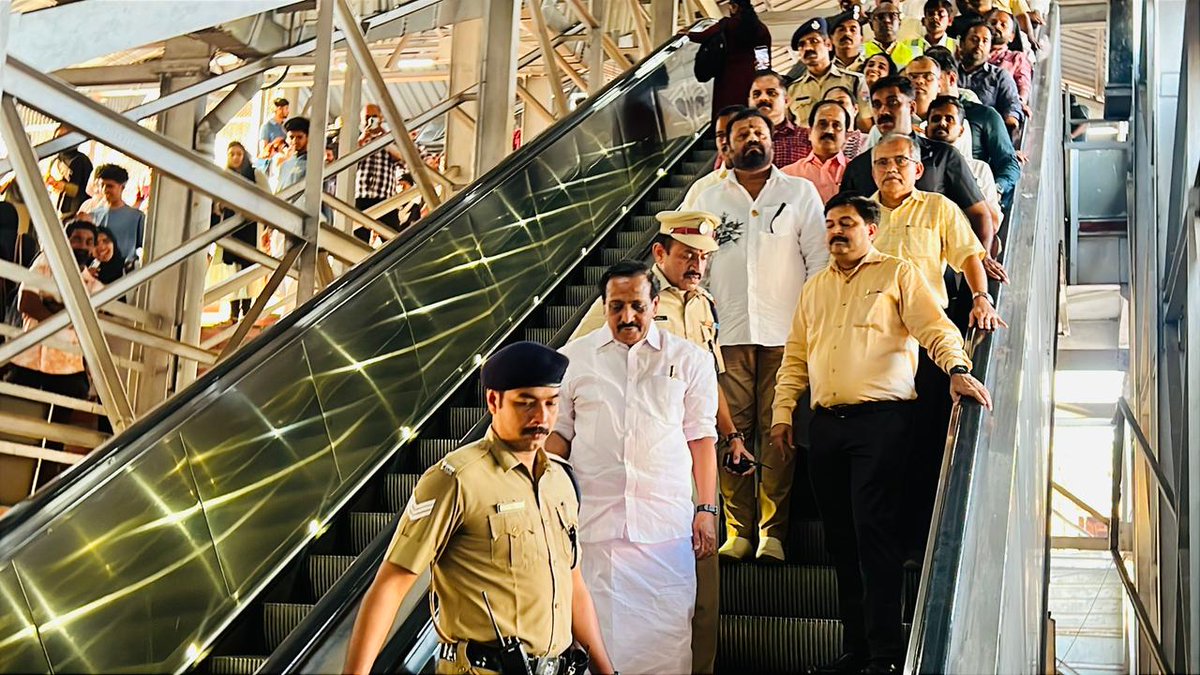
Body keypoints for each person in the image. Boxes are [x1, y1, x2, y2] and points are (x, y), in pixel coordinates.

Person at [770, 194, 992, 674]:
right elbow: (795, 355)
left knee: (875, 534)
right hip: (826, 427)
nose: (836, 231)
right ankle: (857, 651)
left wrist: (956, 367)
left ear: (872, 229)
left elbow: (936, 327)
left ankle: (887, 655)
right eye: (830, 224)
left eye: (846, 222)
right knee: (840, 542)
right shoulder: (814, 288)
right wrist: (782, 412)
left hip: (883, 423)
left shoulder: (897, 273)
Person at [342, 341, 615, 675]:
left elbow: (573, 585)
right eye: (525, 404)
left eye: (550, 403)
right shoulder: (456, 480)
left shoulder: (561, 481)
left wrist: (605, 669)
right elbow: (391, 584)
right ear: (493, 401)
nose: (541, 418)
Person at [568, 214, 734, 673]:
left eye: (637, 306)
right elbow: (558, 439)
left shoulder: (691, 360)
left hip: (666, 530)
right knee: (593, 645)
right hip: (594, 530)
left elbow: (700, 437)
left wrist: (706, 510)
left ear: (653, 303)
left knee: (667, 644)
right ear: (603, 306)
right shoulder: (574, 360)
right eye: (616, 306)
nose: (627, 317)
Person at [689, 108, 828, 562]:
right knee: (731, 431)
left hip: (785, 334)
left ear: (773, 141)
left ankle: (773, 533)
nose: (752, 137)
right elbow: (690, 263)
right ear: (725, 145)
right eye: (742, 132)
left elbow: (819, 262)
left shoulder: (799, 192)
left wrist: (813, 327)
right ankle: (738, 530)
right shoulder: (705, 194)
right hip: (723, 334)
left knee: (778, 433)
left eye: (760, 131)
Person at [838, 76, 1001, 270]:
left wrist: (984, 260)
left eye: (892, 103)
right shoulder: (858, 168)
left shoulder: (943, 156)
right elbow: (844, 223)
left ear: (912, 108)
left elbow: (979, 215)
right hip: (873, 281)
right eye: (877, 105)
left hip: (936, 277)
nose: (883, 111)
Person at [6, 220, 104, 452]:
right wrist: (68, 318)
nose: (83, 245)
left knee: (54, 440)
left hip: (67, 370)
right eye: (77, 239)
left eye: (89, 242)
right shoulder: (45, 262)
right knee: (15, 430)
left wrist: (50, 307)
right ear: (65, 241)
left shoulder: (91, 283)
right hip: (29, 362)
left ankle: (44, 484)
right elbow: (27, 302)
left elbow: (89, 321)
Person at [924, 46, 1021, 206]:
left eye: (931, 77)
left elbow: (1008, 163)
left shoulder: (983, 115)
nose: (922, 83)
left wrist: (994, 191)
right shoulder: (917, 115)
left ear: (951, 78)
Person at [926, 96, 1003, 226]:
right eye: (936, 119)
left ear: (961, 131)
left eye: (949, 119)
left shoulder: (979, 169)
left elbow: (993, 223)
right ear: (926, 130)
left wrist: (968, 187)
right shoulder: (917, 167)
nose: (942, 123)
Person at [213, 141, 268, 321]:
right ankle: (234, 312)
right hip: (230, 227)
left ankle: (247, 310)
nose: (236, 157)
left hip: (249, 226)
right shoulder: (223, 176)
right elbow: (215, 203)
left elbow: (267, 197)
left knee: (248, 267)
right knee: (232, 270)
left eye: (239, 154)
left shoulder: (255, 174)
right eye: (232, 154)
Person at [686, 0, 772, 117]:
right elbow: (764, 57)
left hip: (728, 75)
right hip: (750, 76)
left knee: (726, 108)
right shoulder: (761, 28)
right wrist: (763, 77)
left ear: (735, 7)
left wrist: (687, 34)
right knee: (747, 106)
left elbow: (704, 36)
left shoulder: (727, 24)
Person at [785, 17, 870, 131]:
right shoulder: (792, 89)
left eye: (814, 41)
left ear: (829, 44)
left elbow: (865, 122)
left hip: (847, 146)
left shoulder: (854, 80)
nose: (808, 48)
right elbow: (789, 129)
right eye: (802, 45)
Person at [354, 103, 408, 243]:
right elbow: (346, 161)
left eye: (374, 117)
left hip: (385, 197)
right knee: (358, 240)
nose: (370, 121)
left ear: (381, 118)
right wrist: (362, 140)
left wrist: (384, 138)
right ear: (361, 120)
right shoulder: (355, 139)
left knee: (392, 240)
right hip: (361, 197)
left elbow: (402, 158)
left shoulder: (391, 139)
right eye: (367, 117)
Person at [957, 19, 1024, 132]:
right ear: (962, 44)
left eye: (985, 41)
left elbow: (1013, 105)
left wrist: (1011, 119)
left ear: (990, 48)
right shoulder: (950, 72)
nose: (979, 45)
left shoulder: (1000, 77)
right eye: (974, 39)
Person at [782, 100, 851, 202]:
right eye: (822, 124)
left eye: (836, 125)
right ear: (809, 133)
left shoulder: (857, 172)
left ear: (846, 136)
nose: (829, 131)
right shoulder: (788, 175)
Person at [681, 106, 747, 210]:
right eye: (720, 136)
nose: (725, 141)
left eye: (732, 133)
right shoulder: (702, 188)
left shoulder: (775, 183)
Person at [83, 164, 144, 266]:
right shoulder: (93, 215)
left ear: (122, 187)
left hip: (125, 272)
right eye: (102, 185)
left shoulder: (137, 217)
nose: (105, 190)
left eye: (110, 186)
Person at [748, 70, 805, 167]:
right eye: (756, 94)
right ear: (749, 102)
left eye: (771, 93)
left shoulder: (807, 138)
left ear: (786, 101)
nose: (763, 98)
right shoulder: (738, 139)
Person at [986, 9, 1032, 107]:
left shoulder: (1016, 58)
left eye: (1003, 25)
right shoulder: (972, 50)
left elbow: (1023, 85)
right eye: (993, 23)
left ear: (1011, 36)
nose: (997, 26)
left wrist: (1020, 102)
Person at [46, 126, 92, 218]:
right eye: (58, 138)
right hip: (54, 210)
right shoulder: (55, 160)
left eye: (65, 137)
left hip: (73, 213)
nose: (60, 141)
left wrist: (64, 186)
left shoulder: (81, 161)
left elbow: (84, 190)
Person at [864, 1, 922, 69]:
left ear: (899, 23)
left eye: (892, 16)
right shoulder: (860, 52)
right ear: (871, 25)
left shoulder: (913, 54)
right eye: (880, 17)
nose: (887, 20)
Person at [820, 85, 869, 160]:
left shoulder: (869, 142)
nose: (836, 107)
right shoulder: (817, 143)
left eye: (841, 102)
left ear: (855, 109)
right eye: (829, 103)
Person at [830, 5, 868, 72]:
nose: (847, 33)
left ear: (861, 38)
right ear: (831, 38)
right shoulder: (825, 69)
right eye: (841, 30)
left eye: (853, 30)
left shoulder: (869, 67)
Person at [276, 116, 311, 191]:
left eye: (299, 137)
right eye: (291, 137)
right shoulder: (285, 164)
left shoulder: (312, 164)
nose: (295, 141)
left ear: (308, 137)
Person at [258, 97, 289, 169]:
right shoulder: (267, 126)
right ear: (279, 109)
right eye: (286, 108)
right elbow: (263, 149)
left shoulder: (284, 127)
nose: (288, 111)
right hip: (271, 165)